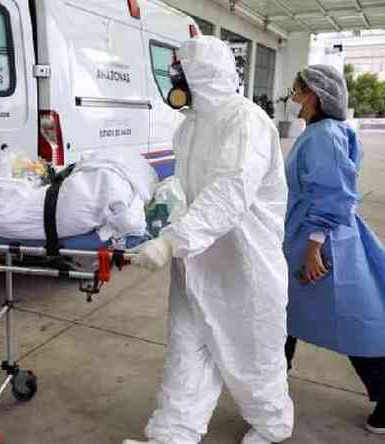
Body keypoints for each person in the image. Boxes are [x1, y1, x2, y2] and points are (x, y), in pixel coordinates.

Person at [124, 36, 294, 444]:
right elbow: (188, 189)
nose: (174, 84)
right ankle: (172, 434)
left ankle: (271, 427)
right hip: (196, 261)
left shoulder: (246, 121)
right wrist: (161, 218)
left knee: (252, 351)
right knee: (187, 348)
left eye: (179, 75)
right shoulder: (189, 127)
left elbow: (229, 192)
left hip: (245, 263)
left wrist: (171, 242)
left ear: (200, 77)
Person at [283, 64, 385, 434]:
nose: (292, 94)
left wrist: (313, 249)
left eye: (296, 88)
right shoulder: (323, 131)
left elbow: (332, 193)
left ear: (312, 93)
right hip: (312, 235)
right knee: (282, 311)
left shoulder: (323, 135)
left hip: (319, 242)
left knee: (353, 319)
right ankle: (273, 378)